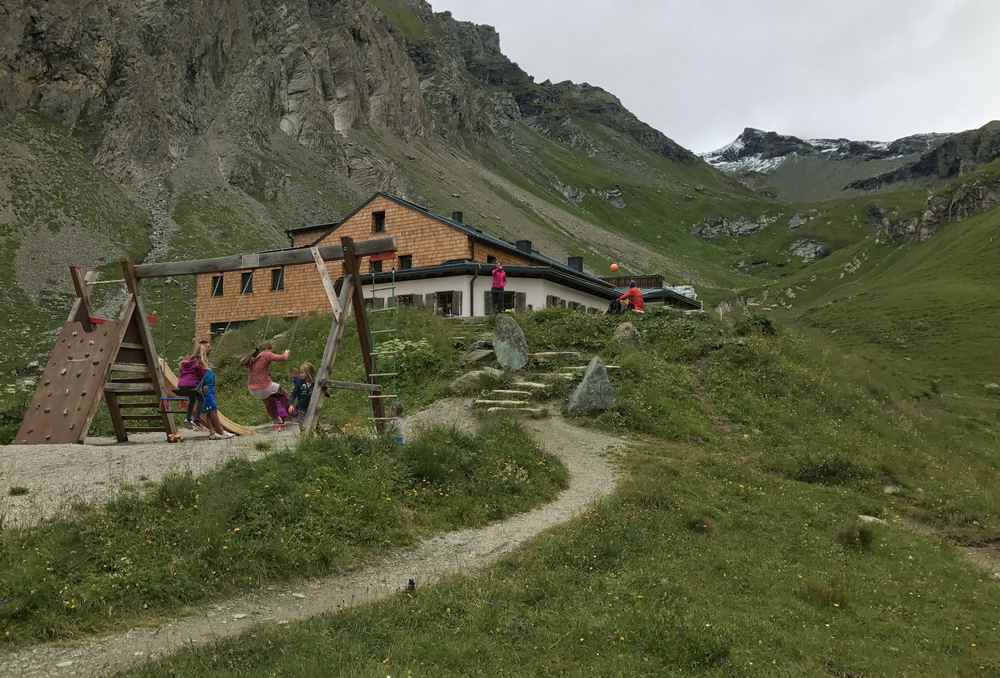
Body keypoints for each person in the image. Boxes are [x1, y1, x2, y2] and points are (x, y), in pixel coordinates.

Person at [242, 342, 291, 430]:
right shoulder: (266, 354)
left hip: (253, 389)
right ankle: (290, 412)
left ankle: (276, 420)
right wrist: (287, 352)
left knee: (268, 403)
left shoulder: (252, 358)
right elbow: (284, 358)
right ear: (269, 348)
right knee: (283, 393)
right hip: (264, 386)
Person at [197, 353, 234, 440]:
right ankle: (221, 432)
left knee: (209, 413)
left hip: (209, 392)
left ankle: (212, 433)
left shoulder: (205, 370)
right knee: (213, 411)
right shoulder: (204, 370)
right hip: (207, 393)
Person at [176, 340, 207, 429]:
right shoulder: (198, 363)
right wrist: (205, 369)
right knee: (201, 399)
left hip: (181, 386)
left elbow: (182, 372)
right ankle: (196, 419)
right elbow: (202, 376)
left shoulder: (186, 362)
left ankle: (188, 418)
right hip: (191, 385)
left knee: (192, 400)